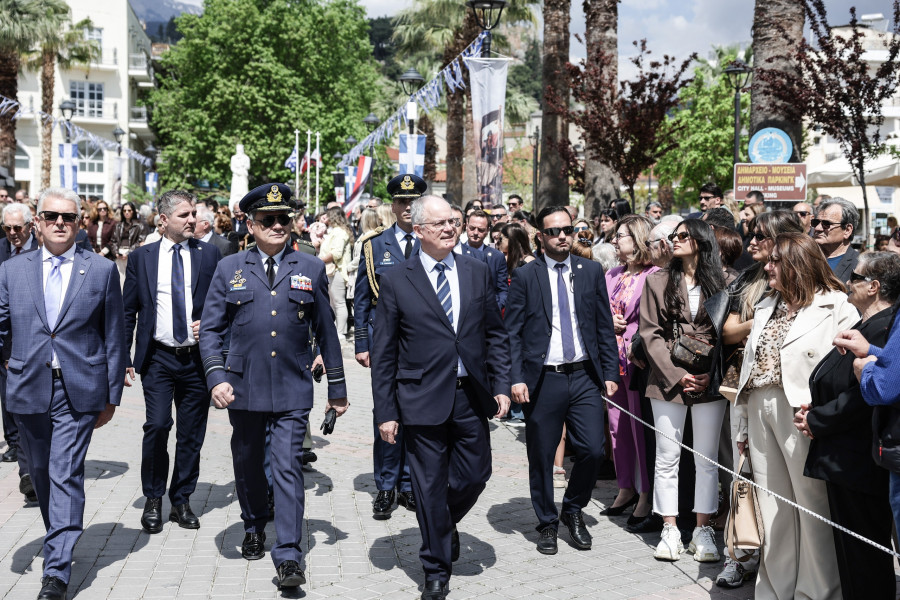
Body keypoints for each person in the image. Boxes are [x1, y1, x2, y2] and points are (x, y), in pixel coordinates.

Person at [199, 183, 348, 591]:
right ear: (251, 224)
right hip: (242, 387)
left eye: (286, 218)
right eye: (269, 219)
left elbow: (327, 331)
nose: (279, 225)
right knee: (248, 464)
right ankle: (252, 524)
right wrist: (215, 377)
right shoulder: (229, 268)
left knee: (286, 468)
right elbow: (211, 330)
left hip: (292, 386)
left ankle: (288, 555)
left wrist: (337, 386)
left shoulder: (311, 266)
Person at [371, 195, 511, 600]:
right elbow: (384, 353)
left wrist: (501, 384)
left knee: (476, 473)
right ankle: (435, 566)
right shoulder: (398, 278)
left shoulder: (476, 270)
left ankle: (440, 524)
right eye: (440, 223)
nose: (450, 228)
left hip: (470, 395)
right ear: (418, 231)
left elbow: (494, 335)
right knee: (429, 485)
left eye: (453, 220)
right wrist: (386, 411)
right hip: (419, 397)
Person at [0, 187, 126, 600]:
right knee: (39, 474)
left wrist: (111, 396)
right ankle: (60, 533)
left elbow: (113, 335)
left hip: (79, 389)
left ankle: (56, 572)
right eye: (51, 216)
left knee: (65, 471)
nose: (59, 223)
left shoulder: (102, 271)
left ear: (79, 224)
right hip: (27, 385)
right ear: (37, 221)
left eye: (68, 218)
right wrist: (8, 362)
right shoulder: (12, 270)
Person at [733, 232, 857, 600]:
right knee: (772, 505)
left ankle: (817, 592)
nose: (766, 267)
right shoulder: (766, 305)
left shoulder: (836, 306)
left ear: (798, 265)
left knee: (812, 504)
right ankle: (775, 589)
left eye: (775, 261)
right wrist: (741, 423)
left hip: (803, 412)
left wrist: (824, 416)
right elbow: (749, 367)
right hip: (759, 407)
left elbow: (845, 370)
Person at [505, 206, 619, 555]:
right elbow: (512, 333)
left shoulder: (590, 271)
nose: (562, 236)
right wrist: (515, 378)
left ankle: (573, 509)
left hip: (584, 375)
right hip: (544, 379)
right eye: (553, 231)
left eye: (567, 230)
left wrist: (610, 373)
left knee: (591, 450)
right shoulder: (527, 276)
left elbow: (603, 326)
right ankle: (547, 522)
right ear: (540, 236)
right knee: (541, 455)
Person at [795, 252, 899, 599]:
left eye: (853, 277)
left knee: (865, 554)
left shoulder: (886, 324)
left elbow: (866, 395)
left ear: (874, 287)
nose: (846, 282)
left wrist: (817, 419)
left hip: (859, 457)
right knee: (853, 553)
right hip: (847, 454)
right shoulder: (869, 324)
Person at [124, 190, 222, 535]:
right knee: (157, 425)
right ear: (163, 220)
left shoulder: (210, 255)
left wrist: (210, 323)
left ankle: (181, 499)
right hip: (159, 358)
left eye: (193, 214)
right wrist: (124, 356)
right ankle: (153, 498)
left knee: (191, 435)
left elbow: (224, 304)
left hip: (197, 360)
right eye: (184, 215)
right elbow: (128, 311)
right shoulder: (142, 258)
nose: (192, 220)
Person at [639, 218, 730, 563]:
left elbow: (729, 335)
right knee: (667, 457)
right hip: (666, 380)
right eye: (672, 236)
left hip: (709, 380)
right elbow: (650, 334)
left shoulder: (725, 282)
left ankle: (703, 528)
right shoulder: (657, 280)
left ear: (701, 241)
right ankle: (670, 528)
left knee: (705, 458)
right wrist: (675, 374)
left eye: (681, 236)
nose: (673, 241)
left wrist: (712, 373)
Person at [354, 174, 427, 519]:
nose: (408, 208)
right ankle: (386, 485)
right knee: (385, 412)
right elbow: (362, 299)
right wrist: (361, 342)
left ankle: (410, 484)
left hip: (422, 343)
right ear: (393, 206)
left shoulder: (433, 243)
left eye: (413, 202)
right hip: (385, 340)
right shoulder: (375, 246)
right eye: (402, 202)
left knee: (416, 412)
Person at [602, 215, 658, 525]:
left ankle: (646, 493)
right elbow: (597, 311)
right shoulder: (611, 275)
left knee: (640, 430)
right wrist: (607, 321)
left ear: (636, 239)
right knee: (617, 426)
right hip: (612, 362)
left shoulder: (656, 275)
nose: (614, 241)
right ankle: (625, 487)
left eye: (619, 236)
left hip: (639, 363)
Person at [0, 202, 39, 499]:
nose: (13, 233)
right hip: (7, 344)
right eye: (7, 227)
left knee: (36, 411)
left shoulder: (44, 250)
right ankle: (26, 470)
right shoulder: (1, 251)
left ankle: (34, 468)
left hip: (39, 343)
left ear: (29, 225)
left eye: (17, 228)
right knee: (14, 403)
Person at [318, 207, 355, 343]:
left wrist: (317, 261)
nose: (326, 219)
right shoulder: (337, 231)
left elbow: (336, 254)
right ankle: (337, 330)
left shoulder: (339, 232)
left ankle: (340, 332)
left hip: (337, 271)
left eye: (328, 216)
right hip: (333, 270)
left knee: (338, 303)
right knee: (334, 303)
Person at [459, 209, 508, 310]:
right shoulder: (456, 253)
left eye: (481, 229)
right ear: (466, 226)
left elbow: (503, 290)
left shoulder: (497, 257)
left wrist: (495, 308)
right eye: (472, 228)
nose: (476, 233)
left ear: (488, 230)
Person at [812, 197, 859, 282]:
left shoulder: (859, 265)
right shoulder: (805, 257)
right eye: (815, 222)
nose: (818, 228)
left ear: (847, 230)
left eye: (826, 224)